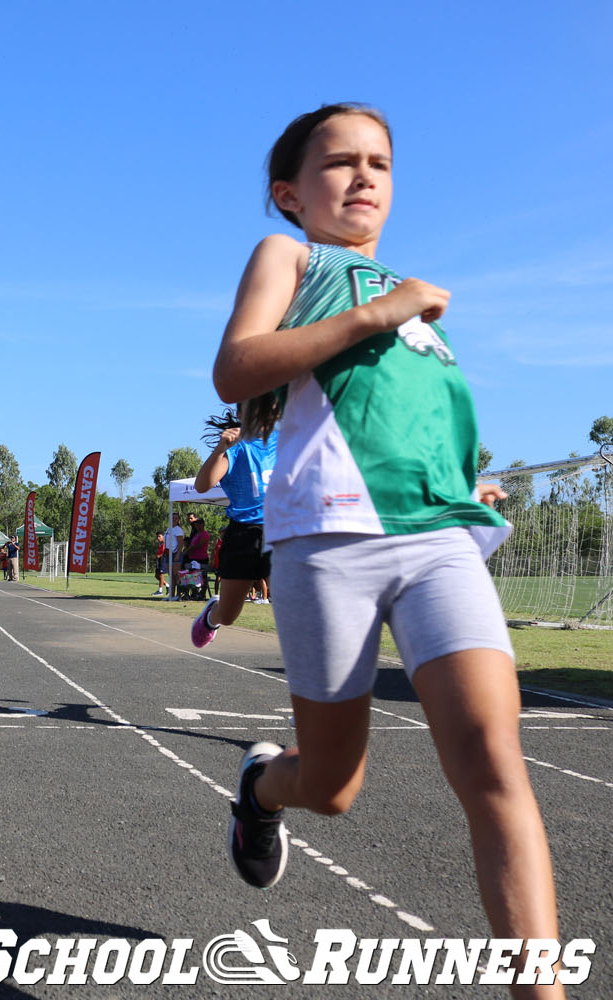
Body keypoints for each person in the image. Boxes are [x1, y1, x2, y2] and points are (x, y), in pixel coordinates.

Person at [213, 103, 562, 993]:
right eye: (340, 163)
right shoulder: (294, 258)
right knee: (331, 786)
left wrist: (463, 479)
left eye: (381, 162)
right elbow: (239, 368)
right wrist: (383, 313)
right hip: (328, 539)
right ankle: (262, 792)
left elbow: (405, 418)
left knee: (493, 760)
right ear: (291, 193)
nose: (364, 176)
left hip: (438, 541)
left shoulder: (416, 297)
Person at [190, 407, 278, 647]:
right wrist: (221, 448)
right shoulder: (238, 447)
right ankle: (212, 616)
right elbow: (202, 485)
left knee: (289, 604)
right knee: (228, 615)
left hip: (279, 530)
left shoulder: (289, 440)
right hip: (243, 535)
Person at [163, 513, 185, 600]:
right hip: (168, 554)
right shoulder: (168, 529)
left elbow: (180, 543)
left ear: (178, 520)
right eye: (173, 518)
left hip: (175, 554)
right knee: (171, 575)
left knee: (177, 575)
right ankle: (171, 595)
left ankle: (178, 595)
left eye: (176, 518)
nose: (174, 520)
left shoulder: (178, 530)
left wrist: (178, 554)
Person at [152, 531, 168, 596]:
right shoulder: (160, 543)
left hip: (163, 560)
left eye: (159, 536)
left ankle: (160, 591)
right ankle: (168, 585)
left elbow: (165, 552)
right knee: (156, 576)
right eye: (157, 537)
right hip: (159, 560)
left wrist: (160, 555)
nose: (158, 538)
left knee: (161, 575)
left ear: (163, 536)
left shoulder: (165, 543)